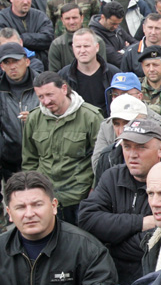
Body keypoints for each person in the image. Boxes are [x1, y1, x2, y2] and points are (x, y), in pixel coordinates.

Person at [78, 118, 161, 285]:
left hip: (153, 280)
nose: (132, 154)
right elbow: (87, 220)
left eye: (141, 147)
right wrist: (140, 222)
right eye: (127, 147)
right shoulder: (112, 176)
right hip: (109, 277)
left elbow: (157, 242)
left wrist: (109, 243)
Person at [22, 71, 102, 225]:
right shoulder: (34, 118)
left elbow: (101, 159)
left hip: (81, 196)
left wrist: (94, 191)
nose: (46, 101)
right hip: (47, 196)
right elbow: (29, 159)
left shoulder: (90, 116)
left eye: (50, 94)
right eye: (40, 97)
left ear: (64, 89)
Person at [0, 43, 39, 191]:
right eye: (7, 63)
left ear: (27, 61)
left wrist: (36, 117)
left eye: (16, 61)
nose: (12, 66)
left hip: (40, 157)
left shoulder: (42, 84)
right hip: (9, 160)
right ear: (2, 66)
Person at [57, 28, 120, 116]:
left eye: (86, 46)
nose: (82, 51)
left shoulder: (114, 74)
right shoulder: (63, 76)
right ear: (73, 48)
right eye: (78, 47)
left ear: (97, 47)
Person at [0, 0, 53, 65]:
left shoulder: (40, 16)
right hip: (11, 66)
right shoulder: (2, 18)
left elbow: (48, 38)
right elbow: (6, 44)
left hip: (41, 65)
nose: (25, 2)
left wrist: (22, 38)